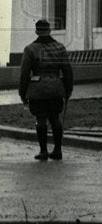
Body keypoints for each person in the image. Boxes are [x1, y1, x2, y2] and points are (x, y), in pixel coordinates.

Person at [18, 20, 73, 161]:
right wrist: (68, 90)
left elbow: (24, 74)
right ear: (49, 30)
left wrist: (22, 92)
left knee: (40, 119)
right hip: (56, 88)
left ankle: (43, 151)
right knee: (55, 118)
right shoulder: (60, 48)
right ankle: (58, 150)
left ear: (36, 31)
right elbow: (67, 71)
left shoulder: (30, 49)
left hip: (37, 90)